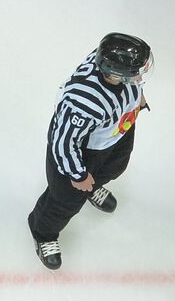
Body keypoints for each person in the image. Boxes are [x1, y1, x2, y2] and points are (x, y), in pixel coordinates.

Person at [28, 33, 151, 270]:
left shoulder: (118, 70)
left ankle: (91, 186)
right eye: (136, 72)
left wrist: (138, 98)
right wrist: (78, 175)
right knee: (65, 198)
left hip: (113, 133)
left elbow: (135, 81)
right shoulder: (83, 103)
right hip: (83, 151)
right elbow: (64, 143)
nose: (140, 75)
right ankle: (43, 232)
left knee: (116, 166)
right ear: (115, 73)